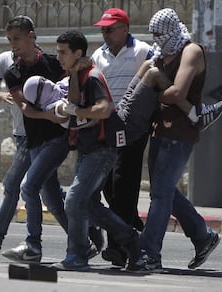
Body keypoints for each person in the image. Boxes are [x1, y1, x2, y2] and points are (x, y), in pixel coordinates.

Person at [127, 8, 222, 273]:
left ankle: (149, 254)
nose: (156, 39)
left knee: (160, 193)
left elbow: (176, 91)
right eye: (153, 34)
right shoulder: (160, 53)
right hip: (159, 129)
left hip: (180, 132)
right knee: (164, 190)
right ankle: (203, 236)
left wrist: (153, 87)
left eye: (160, 34)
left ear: (171, 30)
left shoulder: (190, 51)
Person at [0, 15, 70, 263]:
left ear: (31, 36)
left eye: (16, 38)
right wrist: (4, 95)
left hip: (37, 136)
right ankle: (85, 237)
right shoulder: (7, 63)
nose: (12, 44)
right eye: (9, 39)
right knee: (51, 195)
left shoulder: (48, 62)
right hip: (23, 133)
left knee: (16, 185)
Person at [50, 30, 143, 272]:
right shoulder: (78, 75)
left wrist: (74, 111)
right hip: (87, 149)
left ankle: (77, 254)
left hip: (102, 150)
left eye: (63, 53)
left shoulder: (92, 76)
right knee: (89, 205)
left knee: (73, 201)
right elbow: (73, 100)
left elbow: (102, 109)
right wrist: (71, 75)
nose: (58, 56)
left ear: (77, 53)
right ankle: (132, 241)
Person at [91, 8, 154, 265]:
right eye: (103, 30)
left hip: (133, 127)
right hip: (107, 126)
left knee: (124, 185)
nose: (105, 34)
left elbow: (155, 81)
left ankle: (120, 246)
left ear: (125, 29)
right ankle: (131, 230)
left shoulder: (142, 51)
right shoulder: (98, 55)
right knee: (108, 186)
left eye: (110, 29)